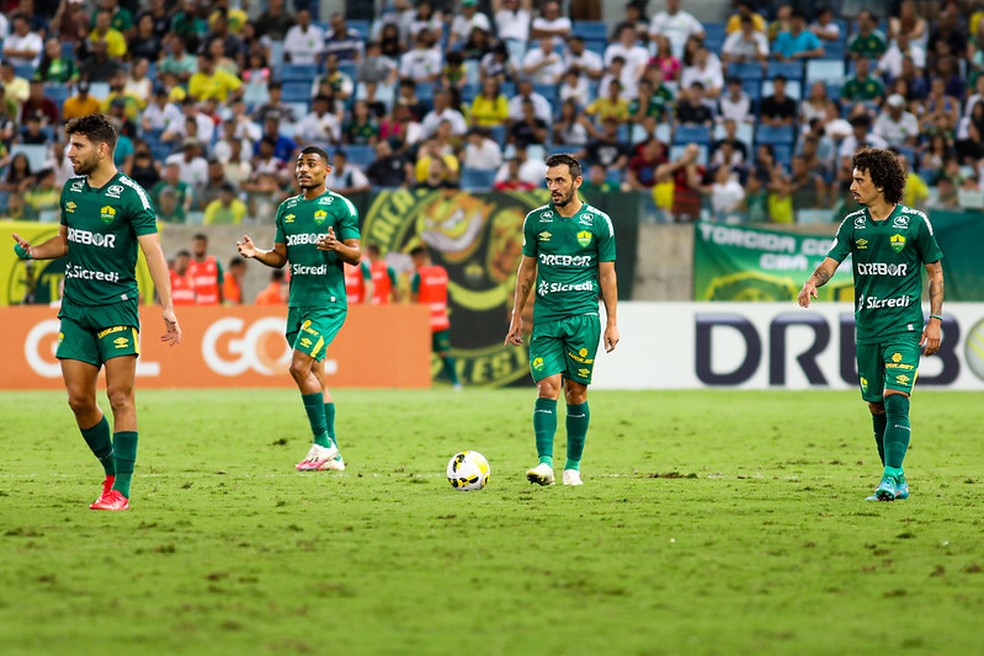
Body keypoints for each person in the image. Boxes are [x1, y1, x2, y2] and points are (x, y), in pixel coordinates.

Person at [10, 113, 181, 511]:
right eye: (70, 146)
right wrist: (34, 252)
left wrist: (167, 306)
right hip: (76, 309)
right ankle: (110, 471)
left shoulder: (131, 195)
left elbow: (152, 251)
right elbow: (67, 243)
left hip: (116, 309)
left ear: (103, 149)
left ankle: (121, 488)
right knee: (78, 400)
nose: (69, 153)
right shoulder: (71, 191)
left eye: (78, 146)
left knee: (120, 396)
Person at [797, 147, 943, 502]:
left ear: (880, 182)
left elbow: (935, 272)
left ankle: (890, 476)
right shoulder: (853, 225)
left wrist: (935, 320)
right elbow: (831, 262)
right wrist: (814, 281)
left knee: (896, 400)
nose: (852, 186)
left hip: (904, 327)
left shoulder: (915, 222)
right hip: (867, 328)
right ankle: (897, 477)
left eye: (860, 179)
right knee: (876, 405)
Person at [236, 146, 361, 471]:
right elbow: (280, 259)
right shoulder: (287, 209)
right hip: (298, 304)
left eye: (311, 164)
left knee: (298, 366)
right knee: (317, 375)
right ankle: (333, 454)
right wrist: (257, 253)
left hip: (327, 304)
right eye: (299, 164)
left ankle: (321, 442)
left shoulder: (339, 206)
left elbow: (357, 255)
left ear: (327, 170)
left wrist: (338, 247)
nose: (303, 169)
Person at [504, 153, 619, 486]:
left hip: (583, 317)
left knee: (576, 393)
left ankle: (572, 467)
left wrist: (612, 322)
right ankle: (544, 464)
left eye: (560, 181)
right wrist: (516, 316)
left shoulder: (599, 222)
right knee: (548, 386)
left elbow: (608, 276)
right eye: (549, 181)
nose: (553, 188)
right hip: (547, 318)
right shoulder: (536, 221)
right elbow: (526, 270)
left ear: (577, 182)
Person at [410, 245, 461, 390]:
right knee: (444, 353)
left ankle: (419, 383)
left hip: (423, 321)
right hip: (440, 320)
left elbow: (414, 298)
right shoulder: (441, 272)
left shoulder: (418, 274)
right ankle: (456, 383)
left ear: (419, 258)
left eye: (414, 260)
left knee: (419, 354)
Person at [188, 233, 224, 305]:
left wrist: (221, 305)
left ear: (206, 246)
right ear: (193, 246)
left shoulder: (215, 263)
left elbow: (220, 286)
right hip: (195, 307)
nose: (199, 247)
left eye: (202, 245)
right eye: (197, 245)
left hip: (213, 305)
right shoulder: (188, 265)